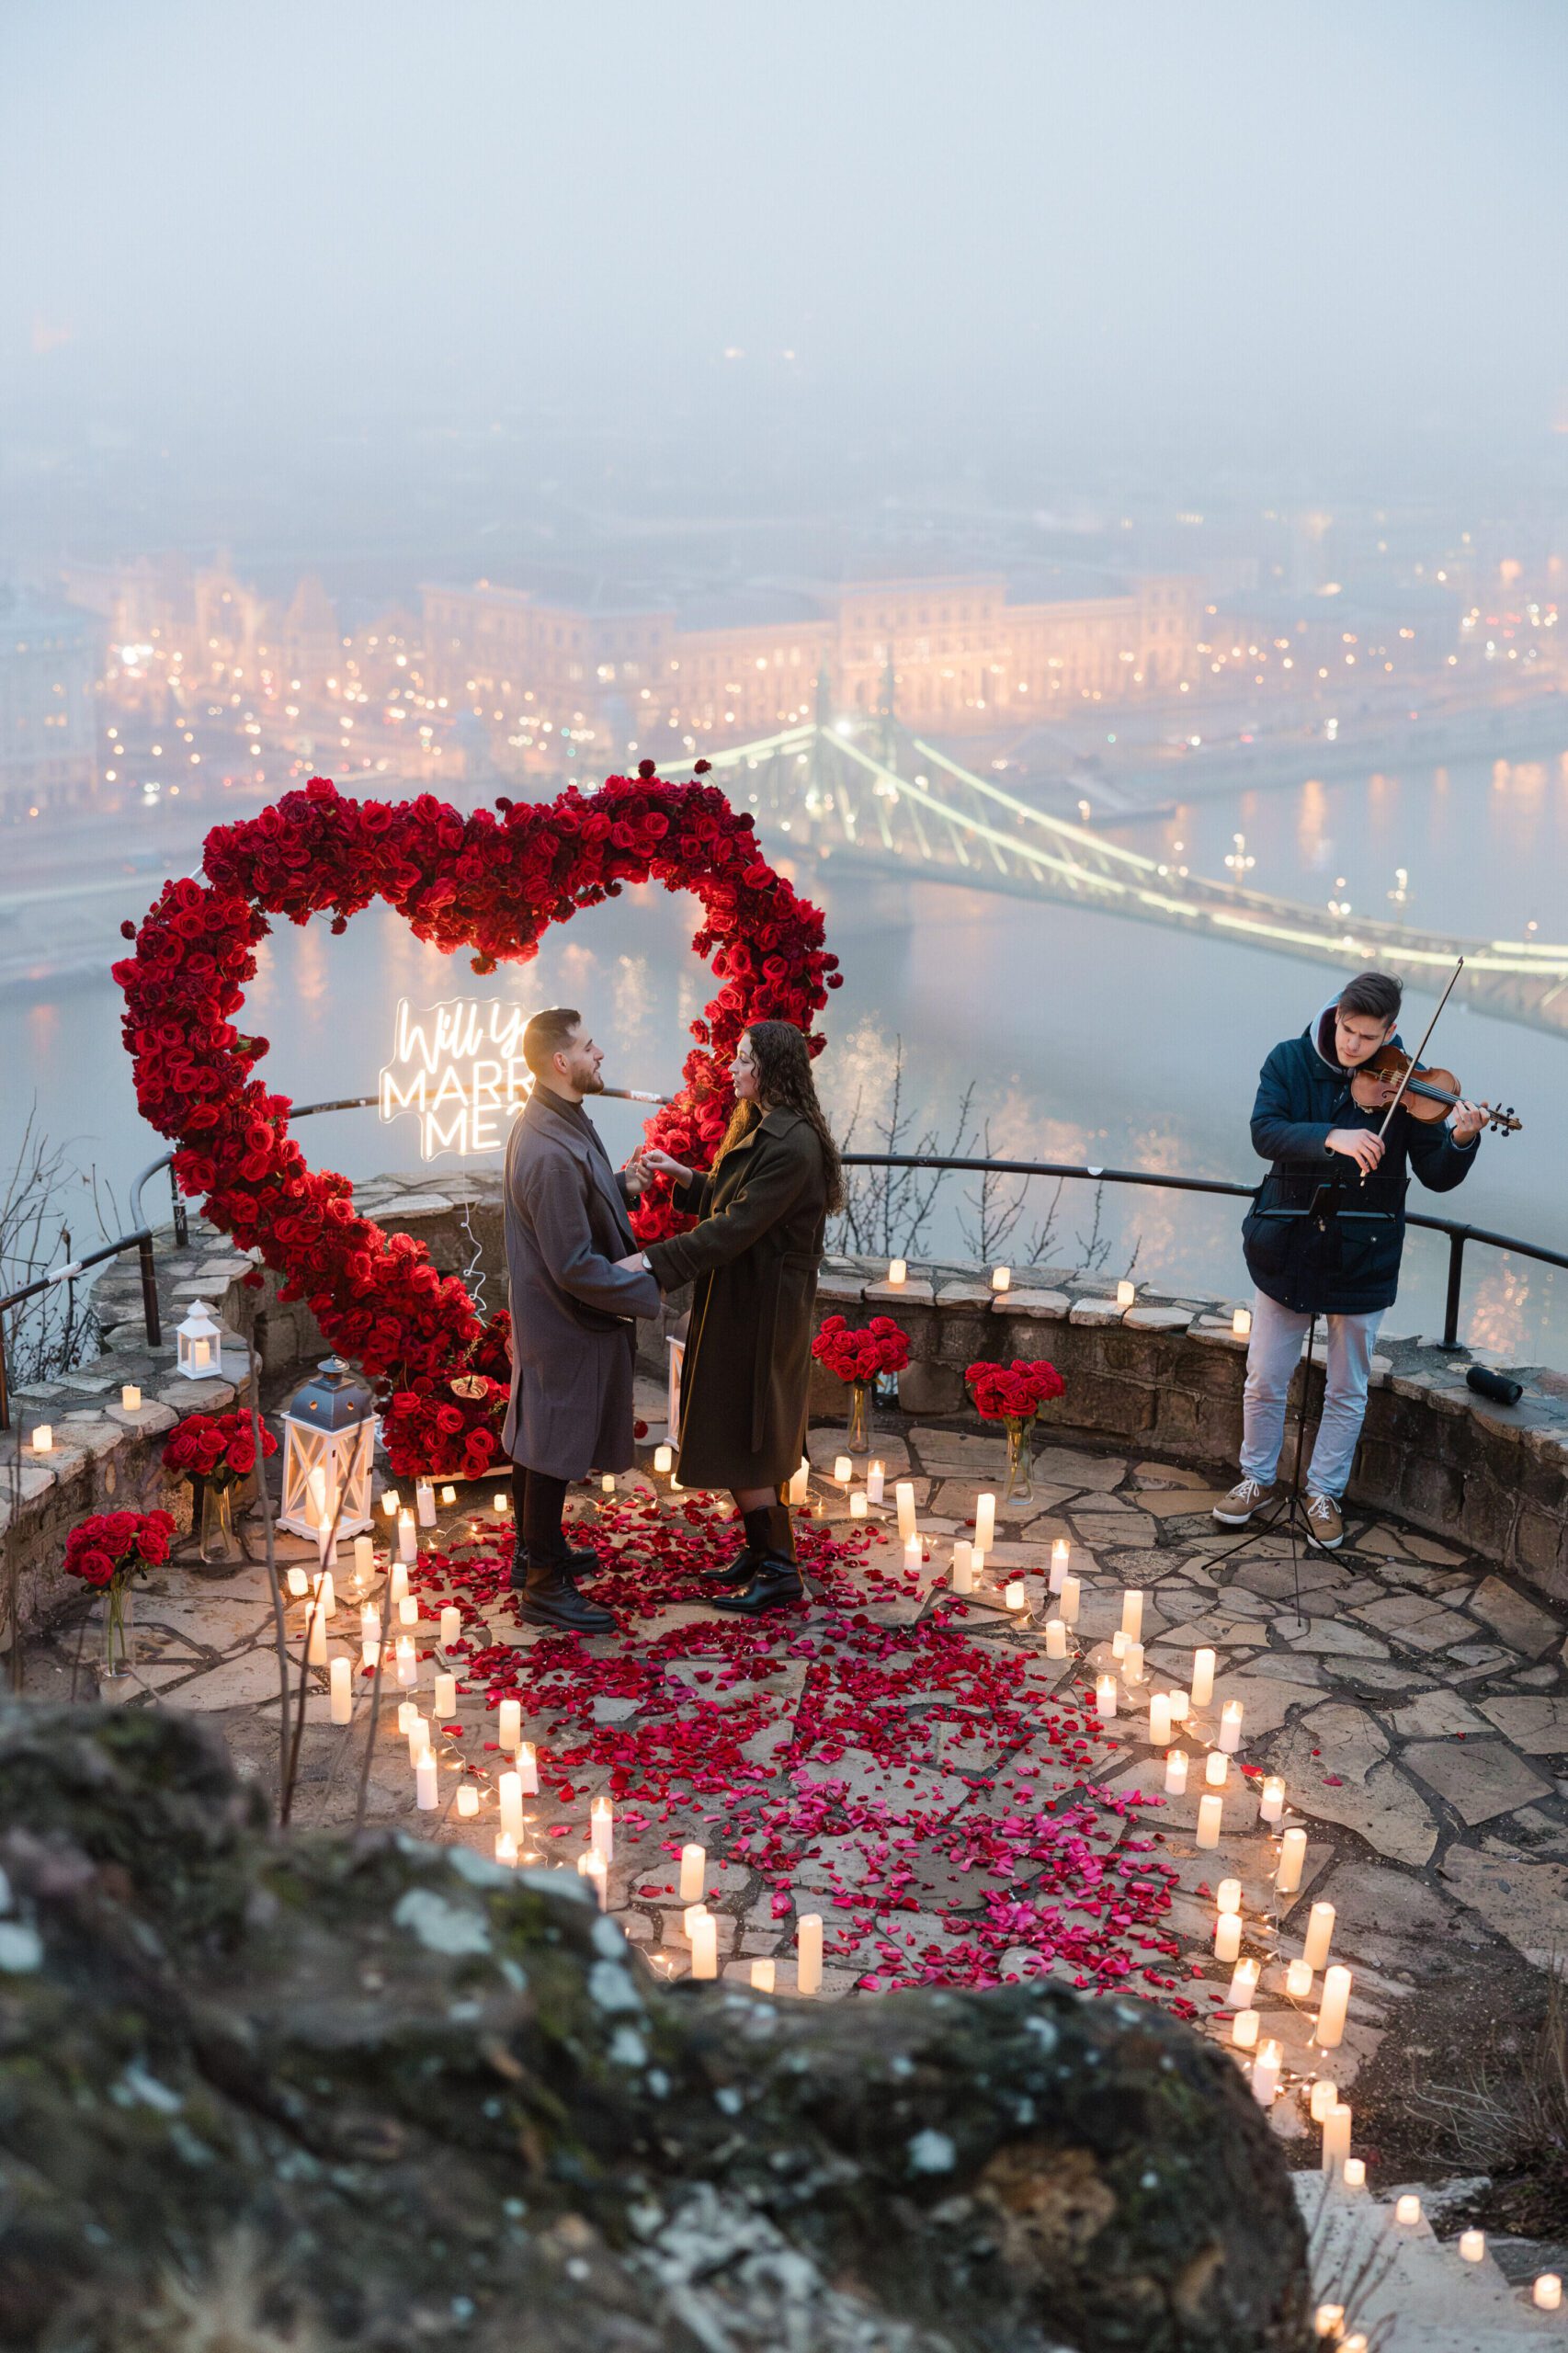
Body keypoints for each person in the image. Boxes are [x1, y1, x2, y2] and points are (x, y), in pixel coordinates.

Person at [1214, 971, 1486, 1550]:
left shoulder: (1409, 1089)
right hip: (1287, 1242)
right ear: (1336, 1013)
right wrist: (1332, 1135)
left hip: (1364, 1251)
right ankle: (1256, 1478)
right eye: (1347, 1030)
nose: (1353, 1048)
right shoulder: (1289, 1061)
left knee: (1347, 1386)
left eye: (1368, 1037)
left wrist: (1462, 1138)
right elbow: (1266, 1132)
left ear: (1391, 1031)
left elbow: (1436, 1175)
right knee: (1265, 1375)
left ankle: (1324, 1492)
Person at [620, 1021, 841, 1615]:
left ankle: (779, 1571)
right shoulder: (765, 1128)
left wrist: (653, 1260)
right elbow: (732, 1196)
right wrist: (684, 1177)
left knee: (750, 1429)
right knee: (742, 1423)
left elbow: (739, 1226)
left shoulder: (793, 1144)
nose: (733, 1068)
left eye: (743, 1059)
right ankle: (760, 1550)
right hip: (742, 1295)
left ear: (770, 1068)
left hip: (763, 1309)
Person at [502, 1007, 663, 1634]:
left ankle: (534, 1555)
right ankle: (542, 1585)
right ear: (560, 1062)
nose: (602, 1054)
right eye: (590, 1047)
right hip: (566, 1319)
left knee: (541, 1435)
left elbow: (579, 1202)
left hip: (558, 1316)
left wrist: (625, 1186)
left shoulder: (559, 1117)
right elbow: (571, 1263)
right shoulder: (546, 1150)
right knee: (549, 1448)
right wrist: (646, 1288)